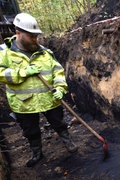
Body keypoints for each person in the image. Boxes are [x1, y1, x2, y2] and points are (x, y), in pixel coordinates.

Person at [0, 13, 78, 167]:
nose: (35, 39)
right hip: (24, 104)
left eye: (36, 35)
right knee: (30, 130)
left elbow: (58, 72)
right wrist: (23, 72)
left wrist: (60, 88)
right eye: (31, 36)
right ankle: (37, 153)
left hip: (50, 99)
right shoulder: (4, 52)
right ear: (18, 33)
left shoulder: (45, 53)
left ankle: (68, 142)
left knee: (59, 123)